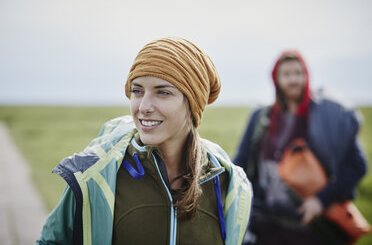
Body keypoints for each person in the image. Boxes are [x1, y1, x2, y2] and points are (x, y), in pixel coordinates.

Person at [35, 37, 252, 245]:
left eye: (163, 92)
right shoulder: (96, 174)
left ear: (193, 104)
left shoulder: (227, 181)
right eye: (137, 91)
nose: (143, 106)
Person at [234, 50, 368, 245]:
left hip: (310, 228)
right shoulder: (261, 118)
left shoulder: (326, 119)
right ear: (276, 79)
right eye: (286, 74)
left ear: (307, 76)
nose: (293, 79)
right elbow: (240, 163)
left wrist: (321, 200)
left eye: (299, 73)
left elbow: (357, 165)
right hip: (264, 225)